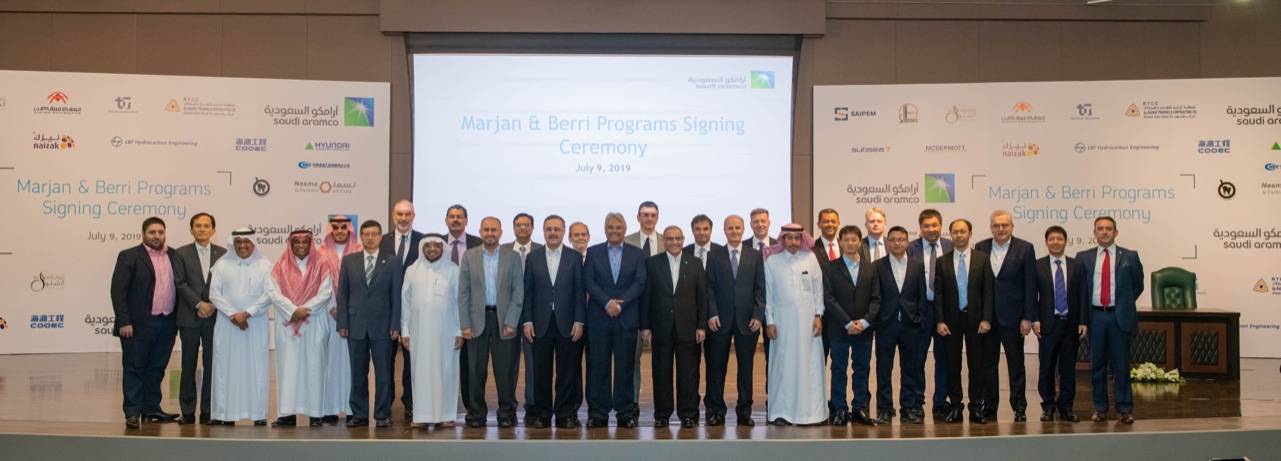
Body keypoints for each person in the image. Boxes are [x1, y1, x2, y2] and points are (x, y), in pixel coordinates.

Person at [110, 216, 181, 429]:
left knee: (157, 368)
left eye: (160, 232)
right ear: (143, 234)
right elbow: (117, 291)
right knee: (134, 367)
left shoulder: (175, 255)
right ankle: (132, 411)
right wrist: (124, 321)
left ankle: (151, 408)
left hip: (167, 323)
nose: (157, 236)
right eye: (152, 232)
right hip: (137, 325)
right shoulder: (129, 256)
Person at [459, 217, 525, 428]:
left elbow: (518, 292)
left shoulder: (512, 257)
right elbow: (463, 292)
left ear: (500, 232)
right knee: (475, 370)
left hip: (504, 320)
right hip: (477, 320)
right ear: (480, 231)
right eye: (486, 229)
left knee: (506, 370)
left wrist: (512, 321)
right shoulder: (470, 256)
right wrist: (465, 324)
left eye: (493, 230)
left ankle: (507, 413)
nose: (490, 233)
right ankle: (476, 413)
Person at [583, 212, 647, 428]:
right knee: (598, 367)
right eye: (610, 227)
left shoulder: (637, 254)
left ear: (625, 229)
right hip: (599, 319)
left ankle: (625, 413)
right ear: (605, 229)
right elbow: (588, 280)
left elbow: (640, 282)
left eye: (618, 228)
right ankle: (598, 413)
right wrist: (606, 302)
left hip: (626, 318)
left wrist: (621, 303)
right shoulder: (593, 253)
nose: (614, 231)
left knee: (625, 368)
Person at [336, 220, 403, 428]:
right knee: (357, 373)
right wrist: (342, 322)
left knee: (384, 373)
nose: (370, 237)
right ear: (361, 237)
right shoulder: (349, 261)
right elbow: (343, 294)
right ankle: (359, 413)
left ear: (381, 237)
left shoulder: (392, 262)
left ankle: (382, 414)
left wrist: (395, 325)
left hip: (383, 326)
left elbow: (396, 296)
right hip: (355, 325)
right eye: (366, 234)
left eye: (374, 234)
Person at [1077, 216, 1143, 424]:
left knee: (1121, 365)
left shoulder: (1129, 256)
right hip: (1095, 316)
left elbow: (1137, 286)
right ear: (1094, 233)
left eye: (1108, 229)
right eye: (1100, 229)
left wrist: (1122, 304)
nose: (1104, 232)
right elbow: (1079, 289)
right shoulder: (1083, 257)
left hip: (1119, 317)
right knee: (1097, 366)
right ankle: (1100, 408)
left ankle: (1124, 409)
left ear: (1116, 232)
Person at [521, 215, 586, 429]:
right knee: (541, 372)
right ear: (543, 231)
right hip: (540, 323)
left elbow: (579, 292)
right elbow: (528, 292)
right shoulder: (533, 257)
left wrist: (579, 320)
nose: (552, 233)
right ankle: (542, 414)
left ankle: (565, 414)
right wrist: (527, 320)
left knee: (567, 372)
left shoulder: (574, 257)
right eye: (548, 229)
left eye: (557, 229)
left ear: (563, 231)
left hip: (568, 323)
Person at [641, 226, 708, 429]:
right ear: (664, 241)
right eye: (669, 239)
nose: (674, 242)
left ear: (683, 239)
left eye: (677, 238)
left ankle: (688, 414)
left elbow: (702, 297)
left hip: (688, 328)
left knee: (688, 373)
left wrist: (701, 326)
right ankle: (662, 414)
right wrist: (645, 326)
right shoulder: (652, 263)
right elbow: (647, 298)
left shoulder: (695, 264)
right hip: (660, 327)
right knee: (661, 372)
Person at [973, 210, 1037, 422]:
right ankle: (990, 406)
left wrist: (1028, 317)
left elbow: (1030, 284)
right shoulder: (981, 247)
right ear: (990, 227)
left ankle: (1019, 406)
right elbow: (979, 285)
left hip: (1014, 318)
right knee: (988, 365)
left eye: (1005, 225)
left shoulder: (1025, 248)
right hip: (988, 319)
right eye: (996, 225)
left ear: (1012, 227)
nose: (1000, 229)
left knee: (1016, 364)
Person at [267, 229, 335, 427]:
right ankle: (287, 414)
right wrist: (292, 310)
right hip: (287, 324)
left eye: (305, 242)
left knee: (315, 366)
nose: (301, 246)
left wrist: (305, 309)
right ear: (290, 244)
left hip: (314, 321)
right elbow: (273, 291)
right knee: (287, 367)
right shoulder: (279, 266)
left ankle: (315, 414)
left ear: (311, 243)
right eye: (296, 242)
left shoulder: (322, 264)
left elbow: (325, 292)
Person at [703, 214, 765, 426]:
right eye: (730, 228)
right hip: (719, 321)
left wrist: (758, 315)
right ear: (724, 230)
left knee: (746, 368)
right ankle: (716, 410)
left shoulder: (755, 255)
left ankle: (744, 411)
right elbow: (708, 287)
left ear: (743, 229)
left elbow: (760, 288)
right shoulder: (714, 255)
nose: (734, 231)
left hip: (748, 321)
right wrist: (711, 313)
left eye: (738, 228)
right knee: (716, 368)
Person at [763, 223, 827, 426]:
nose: (793, 242)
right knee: (783, 366)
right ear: (782, 239)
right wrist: (770, 321)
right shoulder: (772, 261)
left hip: (808, 323)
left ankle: (811, 413)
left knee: (809, 366)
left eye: (796, 238)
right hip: (782, 324)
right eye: (788, 238)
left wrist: (818, 315)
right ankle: (782, 412)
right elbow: (768, 294)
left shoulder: (810, 258)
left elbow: (818, 290)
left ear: (802, 240)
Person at [208, 228, 273, 426]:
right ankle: (225, 414)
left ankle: (258, 413)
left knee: (257, 368)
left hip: (255, 324)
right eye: (238, 242)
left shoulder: (265, 265)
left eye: (247, 242)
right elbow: (214, 294)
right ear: (233, 244)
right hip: (228, 326)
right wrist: (233, 315)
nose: (242, 246)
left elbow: (270, 294)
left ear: (253, 243)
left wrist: (247, 313)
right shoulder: (221, 265)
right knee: (225, 368)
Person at [933, 219, 995, 424]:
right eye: (955, 232)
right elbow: (939, 294)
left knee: (976, 364)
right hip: (951, 321)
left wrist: (987, 318)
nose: (959, 235)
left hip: (976, 320)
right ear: (950, 234)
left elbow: (988, 292)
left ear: (970, 234)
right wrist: (940, 321)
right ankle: (956, 405)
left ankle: (976, 406)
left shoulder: (982, 259)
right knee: (953, 364)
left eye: (963, 231)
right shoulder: (942, 261)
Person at [400, 233, 463, 429]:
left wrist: (460, 330)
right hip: (418, 332)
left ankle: (446, 415)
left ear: (443, 248)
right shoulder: (412, 270)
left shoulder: (453, 270)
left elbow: (459, 303)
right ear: (422, 249)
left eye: (437, 246)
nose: (432, 249)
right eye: (428, 246)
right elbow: (405, 303)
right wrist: (405, 331)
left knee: (446, 371)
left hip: (447, 332)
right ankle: (421, 415)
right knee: (419, 372)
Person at [823, 225, 880, 426]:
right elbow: (828, 299)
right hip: (839, 328)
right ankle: (839, 408)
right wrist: (847, 322)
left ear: (859, 241)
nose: (850, 243)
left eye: (854, 239)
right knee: (838, 369)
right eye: (846, 239)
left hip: (864, 329)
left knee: (862, 369)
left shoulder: (870, 267)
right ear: (840, 242)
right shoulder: (830, 267)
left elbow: (876, 299)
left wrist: (864, 322)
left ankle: (860, 408)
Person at [173, 213, 225, 425]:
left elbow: (225, 284)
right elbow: (180, 283)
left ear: (213, 230)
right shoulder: (180, 253)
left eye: (206, 226)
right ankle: (187, 411)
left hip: (215, 316)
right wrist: (199, 304)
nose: (202, 229)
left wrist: (212, 304)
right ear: (191, 229)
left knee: (213, 365)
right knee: (188, 365)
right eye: (198, 226)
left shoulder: (223, 253)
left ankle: (208, 411)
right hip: (189, 317)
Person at [872, 226, 927, 425]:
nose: (897, 243)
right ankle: (885, 409)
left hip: (911, 325)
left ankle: (908, 408)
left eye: (901, 239)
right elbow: (875, 296)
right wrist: (877, 320)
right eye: (893, 239)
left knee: (910, 369)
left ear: (907, 242)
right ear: (887, 243)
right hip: (886, 325)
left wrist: (919, 318)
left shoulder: (917, 265)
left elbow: (921, 295)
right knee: (883, 370)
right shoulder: (878, 266)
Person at [1033, 226, 1086, 423]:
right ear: (1046, 242)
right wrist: (1035, 319)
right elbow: (1032, 295)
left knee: (1068, 369)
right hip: (1047, 324)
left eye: (1059, 238)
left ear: (1066, 241)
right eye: (1051, 239)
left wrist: (1082, 320)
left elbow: (1082, 294)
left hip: (1070, 325)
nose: (1055, 242)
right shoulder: (1037, 265)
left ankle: (1066, 407)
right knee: (1046, 367)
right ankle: (1047, 406)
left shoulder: (1076, 265)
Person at [907, 208, 954, 421]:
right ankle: (917, 401)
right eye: (926, 226)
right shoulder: (910, 249)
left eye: (935, 225)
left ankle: (940, 401)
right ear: (920, 228)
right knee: (918, 357)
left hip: (945, 311)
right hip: (920, 310)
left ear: (941, 226)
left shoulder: (951, 247)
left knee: (944, 357)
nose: (931, 229)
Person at [382, 200, 423, 418]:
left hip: (413, 311)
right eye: (399, 214)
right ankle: (385, 402)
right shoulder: (381, 242)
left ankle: (410, 402)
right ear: (393, 215)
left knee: (411, 360)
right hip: (386, 312)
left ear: (413, 216)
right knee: (385, 360)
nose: (403, 218)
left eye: (407, 214)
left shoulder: (424, 242)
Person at [317, 214, 359, 424]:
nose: (340, 231)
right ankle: (330, 408)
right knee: (329, 361)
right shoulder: (320, 253)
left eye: (344, 227)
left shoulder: (359, 251)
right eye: (336, 227)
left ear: (350, 229)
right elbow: (317, 283)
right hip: (328, 313)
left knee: (353, 363)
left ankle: (352, 408)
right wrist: (333, 306)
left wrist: (347, 310)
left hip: (354, 316)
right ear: (330, 230)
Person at [502, 212, 543, 423]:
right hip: (507, 315)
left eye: (527, 225)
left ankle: (532, 405)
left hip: (534, 316)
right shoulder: (502, 251)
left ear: (532, 228)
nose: (523, 228)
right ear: (513, 227)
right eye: (519, 225)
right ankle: (508, 407)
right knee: (508, 364)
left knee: (533, 363)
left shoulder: (541, 251)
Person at [624, 201, 662, 412]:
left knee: (662, 363)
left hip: (662, 311)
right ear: (638, 217)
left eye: (653, 215)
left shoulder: (669, 241)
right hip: (633, 309)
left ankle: (662, 406)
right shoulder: (626, 241)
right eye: (645, 215)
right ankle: (633, 402)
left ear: (657, 218)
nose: (649, 219)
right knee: (632, 360)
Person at [444, 204, 482, 414]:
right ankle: (442, 404)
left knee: (470, 363)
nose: (456, 220)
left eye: (460, 217)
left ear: (467, 220)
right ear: (446, 220)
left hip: (472, 312)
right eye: (452, 217)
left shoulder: (479, 243)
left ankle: (471, 406)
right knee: (444, 361)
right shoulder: (435, 244)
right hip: (443, 312)